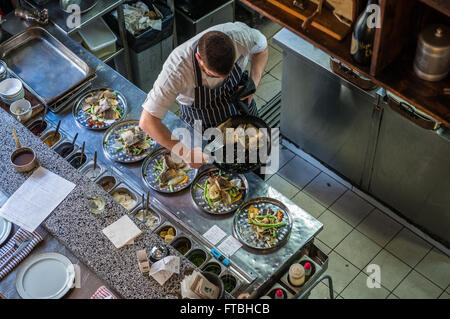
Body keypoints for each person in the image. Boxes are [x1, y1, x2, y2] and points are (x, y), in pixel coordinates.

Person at [139, 22, 268, 169]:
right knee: (214, 172)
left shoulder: (240, 36)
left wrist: (253, 83)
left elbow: (262, 50)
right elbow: (147, 121)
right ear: (199, 58)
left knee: (257, 155)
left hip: (238, 101)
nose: (222, 80)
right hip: (201, 120)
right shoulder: (176, 70)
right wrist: (186, 153)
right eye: (213, 75)